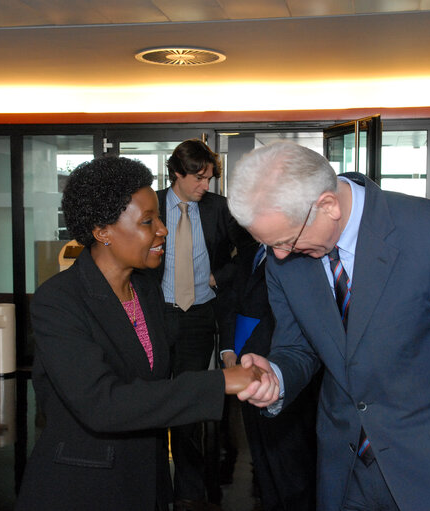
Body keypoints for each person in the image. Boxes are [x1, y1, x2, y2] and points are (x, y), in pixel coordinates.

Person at [228, 142, 430, 511]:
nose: (280, 255)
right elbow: (299, 347)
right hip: (345, 473)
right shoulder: (284, 257)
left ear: (327, 205)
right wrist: (277, 376)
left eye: (287, 241)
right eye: (270, 245)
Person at [15, 156, 265, 511]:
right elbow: (103, 404)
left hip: (146, 481)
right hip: (86, 486)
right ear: (103, 232)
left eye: (159, 217)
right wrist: (220, 382)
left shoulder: (146, 290)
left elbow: (156, 386)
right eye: (149, 221)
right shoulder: (59, 301)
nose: (162, 229)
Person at [153, 139, 251, 509]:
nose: (204, 186)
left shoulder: (218, 209)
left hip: (199, 316)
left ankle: (189, 491)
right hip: (158, 314)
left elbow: (251, 250)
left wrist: (220, 275)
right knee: (153, 396)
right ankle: (153, 482)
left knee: (188, 401)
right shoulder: (152, 205)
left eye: (209, 178)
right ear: (177, 173)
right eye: (198, 178)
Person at [220, 240, 318, 511]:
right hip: (244, 366)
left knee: (288, 460)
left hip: (279, 365)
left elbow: (283, 317)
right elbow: (231, 299)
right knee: (260, 455)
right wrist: (228, 349)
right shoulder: (250, 250)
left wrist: (254, 357)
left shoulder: (300, 253)